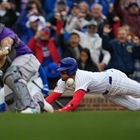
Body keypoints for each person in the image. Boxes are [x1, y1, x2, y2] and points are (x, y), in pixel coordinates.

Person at [45, 57, 140, 112]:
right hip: (108, 93)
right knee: (135, 106)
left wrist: (61, 111)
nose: (61, 74)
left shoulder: (81, 77)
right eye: (60, 72)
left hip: (116, 81)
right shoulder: (62, 81)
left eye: (63, 72)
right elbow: (52, 97)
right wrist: (40, 106)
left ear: (71, 70)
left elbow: (76, 101)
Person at [0, 23, 44, 113]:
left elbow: (5, 47)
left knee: (11, 74)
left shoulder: (5, 33)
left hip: (26, 59)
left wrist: (4, 50)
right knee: (11, 101)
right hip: (10, 70)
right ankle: (38, 101)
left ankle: (31, 106)